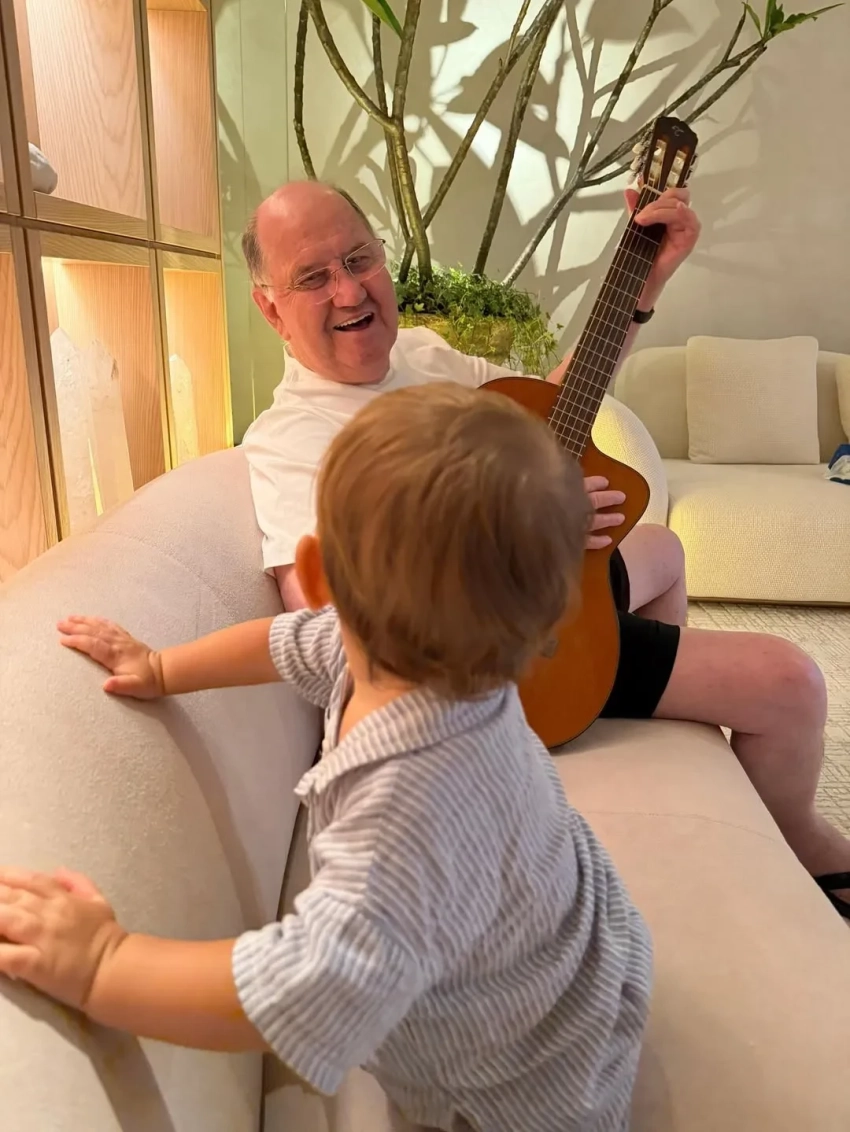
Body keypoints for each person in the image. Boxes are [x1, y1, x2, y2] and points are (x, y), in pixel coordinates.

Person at [0, 384, 653, 1132]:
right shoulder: (424, 649)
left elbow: (307, 987)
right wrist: (160, 667)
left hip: (527, 1084)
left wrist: (104, 964)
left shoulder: (411, 813)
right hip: (554, 938)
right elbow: (283, 643)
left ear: (312, 575)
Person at [239, 180, 850, 917]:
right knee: (792, 683)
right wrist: (530, 525)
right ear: (270, 308)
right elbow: (337, 620)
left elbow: (555, 409)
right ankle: (800, 838)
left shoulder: (423, 356)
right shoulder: (292, 440)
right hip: (494, 664)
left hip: (544, 598)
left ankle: (630, 698)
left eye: (359, 258)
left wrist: (642, 286)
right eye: (312, 277)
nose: (348, 290)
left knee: (661, 549)